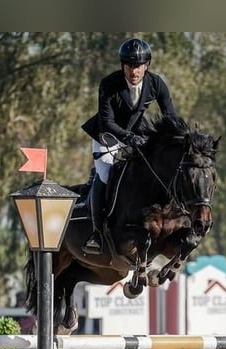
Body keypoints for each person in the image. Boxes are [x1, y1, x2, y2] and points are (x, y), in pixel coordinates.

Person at [80, 37, 177, 255]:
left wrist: (180, 137)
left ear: (146, 66)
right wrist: (129, 137)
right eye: (129, 65)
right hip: (107, 136)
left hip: (137, 131)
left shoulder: (156, 83)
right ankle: (96, 231)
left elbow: (170, 116)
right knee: (104, 174)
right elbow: (107, 122)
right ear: (123, 65)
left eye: (138, 66)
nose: (134, 71)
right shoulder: (109, 83)